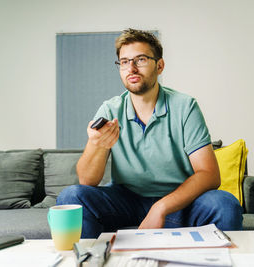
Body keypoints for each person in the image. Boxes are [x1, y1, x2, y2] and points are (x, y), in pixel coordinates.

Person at [56, 28, 243, 238]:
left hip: (178, 203)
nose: (132, 68)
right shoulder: (110, 110)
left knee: (225, 204)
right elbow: (87, 181)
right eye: (125, 62)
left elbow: (209, 175)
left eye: (141, 59)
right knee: (71, 197)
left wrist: (160, 208)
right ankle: (91, 260)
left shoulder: (185, 106)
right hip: (124, 201)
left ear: (160, 65)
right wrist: (97, 145)